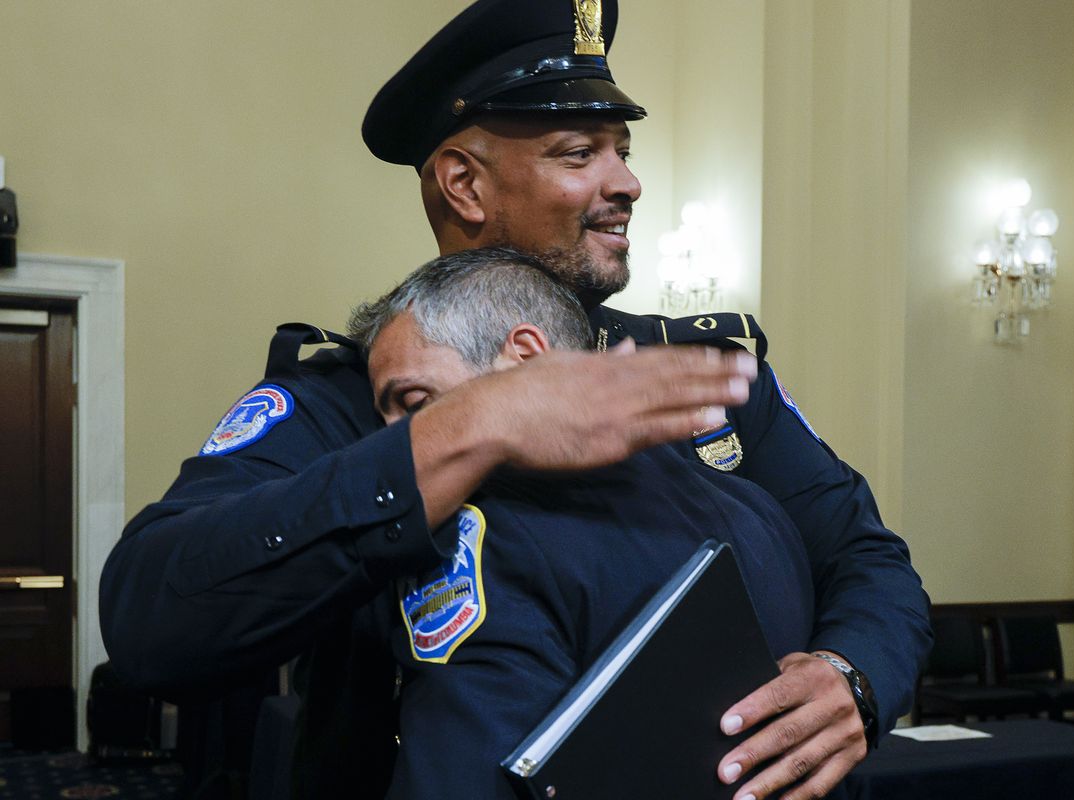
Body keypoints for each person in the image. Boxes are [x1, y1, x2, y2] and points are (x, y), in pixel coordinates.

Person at [100, 1, 930, 798]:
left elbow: (868, 559)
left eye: (623, 148)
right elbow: (151, 616)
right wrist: (469, 424)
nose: (629, 181)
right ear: (463, 184)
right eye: (579, 153)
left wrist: (850, 676)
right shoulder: (353, 396)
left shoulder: (695, 371)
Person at [353, 246, 818, 798]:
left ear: (524, 357)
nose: (398, 446)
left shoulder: (484, 534)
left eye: (413, 402)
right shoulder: (757, 509)